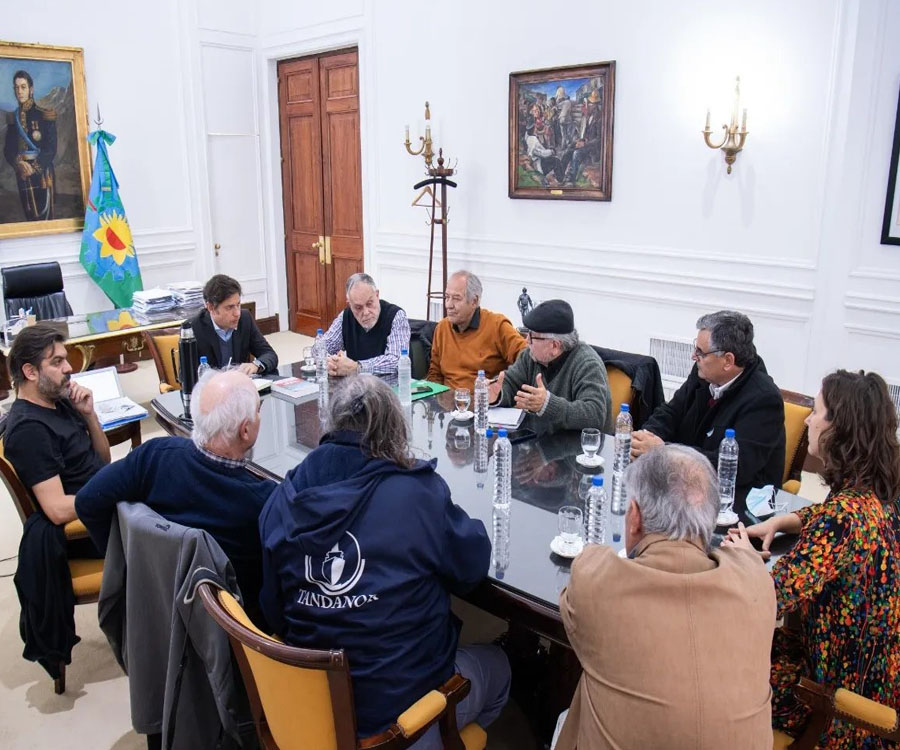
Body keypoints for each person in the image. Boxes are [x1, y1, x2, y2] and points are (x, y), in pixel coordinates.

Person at [259, 375, 509, 745]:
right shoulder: (418, 493)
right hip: (400, 718)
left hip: (312, 705)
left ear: (331, 422)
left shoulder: (280, 499)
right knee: (499, 666)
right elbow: (471, 567)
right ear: (393, 430)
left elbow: (274, 611)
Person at [723, 370, 900, 749]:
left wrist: (742, 557)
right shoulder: (881, 496)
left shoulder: (842, 520)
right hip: (878, 681)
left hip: (833, 701)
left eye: (816, 412)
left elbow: (765, 599)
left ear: (840, 430)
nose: (806, 420)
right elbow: (832, 517)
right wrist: (788, 519)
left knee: (713, 665)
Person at [556, 444, 775, 750]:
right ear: (710, 520)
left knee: (576, 704)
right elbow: (746, 561)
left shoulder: (597, 581)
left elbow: (586, 570)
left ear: (634, 517)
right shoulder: (757, 584)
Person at [75, 369, 276, 615]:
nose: (259, 414)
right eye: (258, 409)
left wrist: (129, 562)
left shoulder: (153, 456)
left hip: (155, 606)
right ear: (245, 430)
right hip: (231, 629)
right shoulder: (263, 502)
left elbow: (87, 501)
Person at [632, 310, 785, 512]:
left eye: (701, 353)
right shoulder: (703, 373)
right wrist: (645, 437)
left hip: (736, 507)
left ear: (728, 361)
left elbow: (734, 469)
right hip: (688, 490)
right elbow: (671, 412)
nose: (694, 357)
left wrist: (664, 453)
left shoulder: (764, 400)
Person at [4, 324, 109, 527]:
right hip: (92, 526)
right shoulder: (29, 430)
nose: (69, 368)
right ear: (31, 372)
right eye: (57, 362)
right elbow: (57, 509)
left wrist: (89, 416)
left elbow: (102, 462)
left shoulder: (60, 401)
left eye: (65, 359)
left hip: (101, 498)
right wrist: (116, 494)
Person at [489, 299, 611, 433]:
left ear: (554, 346)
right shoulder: (530, 356)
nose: (526, 340)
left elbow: (595, 415)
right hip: (540, 445)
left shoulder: (587, 364)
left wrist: (547, 404)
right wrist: (498, 393)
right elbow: (510, 383)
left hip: (580, 448)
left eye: (532, 336)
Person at [425, 270, 526, 391]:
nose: (448, 305)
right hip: (449, 404)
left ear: (474, 301)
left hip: (484, 403)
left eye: (456, 298)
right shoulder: (442, 328)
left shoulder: (497, 325)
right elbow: (435, 374)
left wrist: (501, 383)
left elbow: (526, 358)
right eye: (447, 297)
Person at [321, 272, 410, 376]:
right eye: (358, 307)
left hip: (389, 388)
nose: (366, 312)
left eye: (369, 303)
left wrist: (357, 367)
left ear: (377, 295)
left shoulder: (396, 316)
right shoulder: (346, 316)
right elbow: (321, 347)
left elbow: (396, 361)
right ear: (350, 304)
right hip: (356, 387)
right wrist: (330, 362)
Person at [189, 274, 278, 375]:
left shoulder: (244, 319)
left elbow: (269, 354)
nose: (237, 313)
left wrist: (256, 365)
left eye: (238, 305)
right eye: (229, 307)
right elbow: (186, 376)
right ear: (211, 307)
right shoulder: (194, 328)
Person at [3, 70, 57, 222]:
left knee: (46, 219)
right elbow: (8, 149)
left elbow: (51, 148)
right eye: (16, 87)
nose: (19, 91)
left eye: (23, 87)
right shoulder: (13, 119)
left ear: (31, 89)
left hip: (42, 175)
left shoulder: (44, 115)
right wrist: (18, 163)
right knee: (29, 218)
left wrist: (34, 168)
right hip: (22, 174)